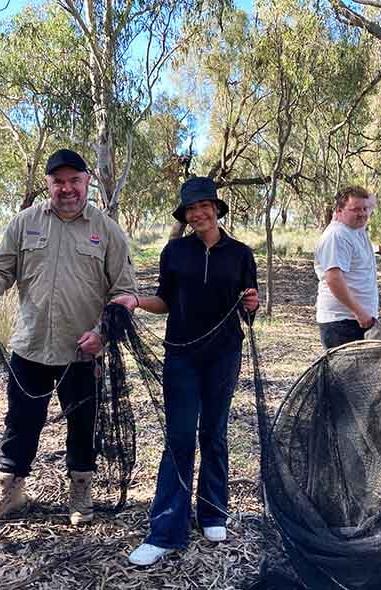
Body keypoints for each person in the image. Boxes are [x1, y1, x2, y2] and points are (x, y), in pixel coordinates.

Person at [0, 149, 137, 525]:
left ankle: (80, 495)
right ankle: (9, 494)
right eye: (58, 181)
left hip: (83, 351)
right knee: (20, 423)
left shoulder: (107, 230)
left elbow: (124, 292)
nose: (67, 188)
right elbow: (0, 270)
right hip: (30, 346)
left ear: (87, 180)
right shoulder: (25, 222)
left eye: (74, 180)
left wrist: (102, 334)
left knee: (83, 424)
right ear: (48, 184)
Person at [112, 176, 259, 566]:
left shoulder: (241, 254)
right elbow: (164, 300)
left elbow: (249, 305)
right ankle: (165, 530)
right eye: (191, 209)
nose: (198, 214)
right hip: (181, 357)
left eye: (203, 206)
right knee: (179, 438)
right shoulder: (174, 252)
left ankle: (213, 512)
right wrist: (135, 302)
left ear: (216, 207)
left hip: (224, 355)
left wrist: (252, 304)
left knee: (214, 432)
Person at [314, 186, 379, 349]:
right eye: (356, 209)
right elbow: (334, 278)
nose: (363, 213)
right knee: (346, 374)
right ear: (339, 211)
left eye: (365, 209)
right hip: (342, 323)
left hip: (356, 320)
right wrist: (359, 312)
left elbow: (372, 202)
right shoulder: (337, 235)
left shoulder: (356, 229)